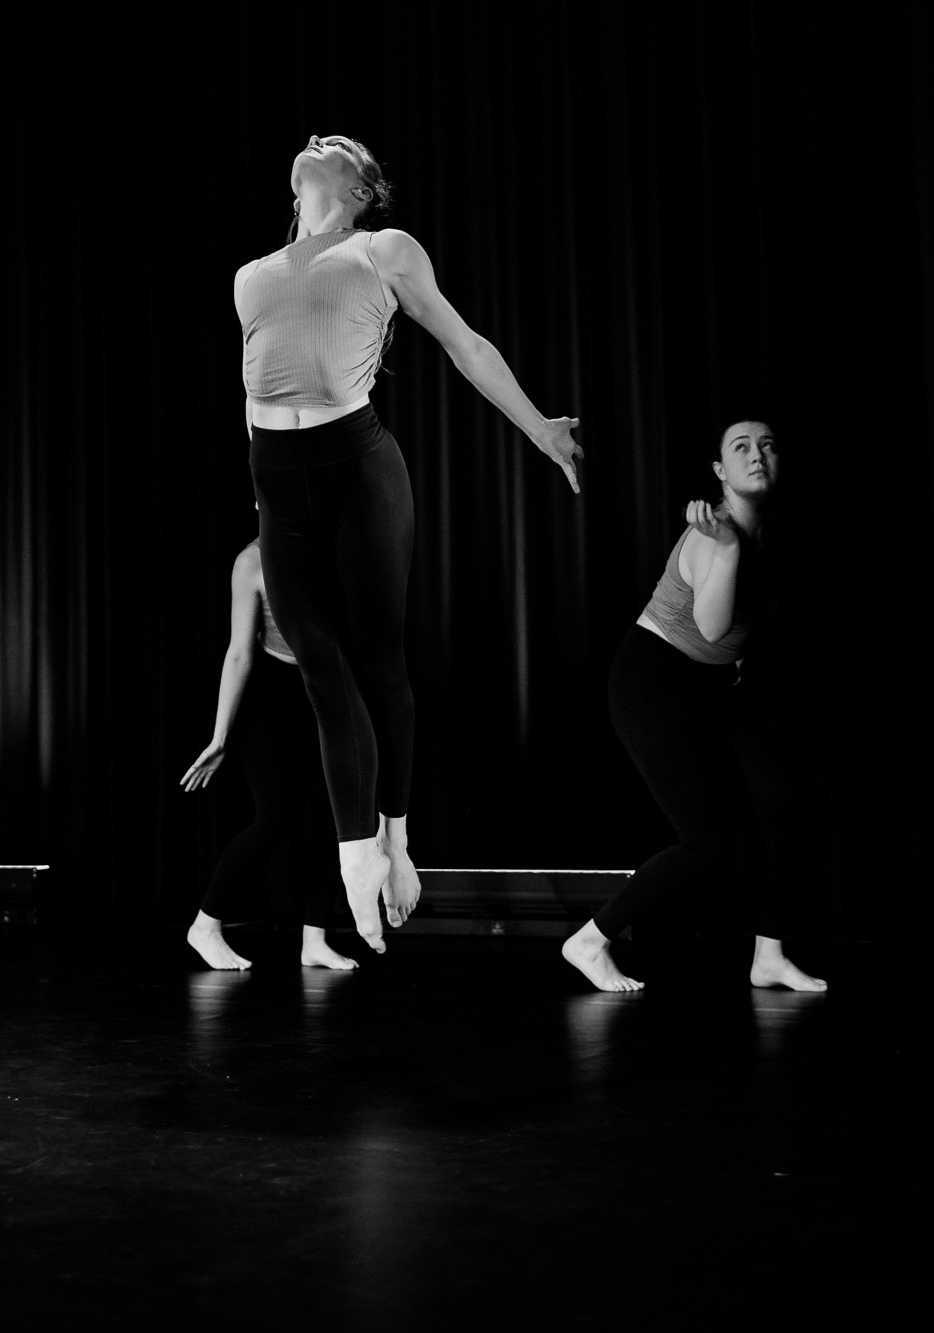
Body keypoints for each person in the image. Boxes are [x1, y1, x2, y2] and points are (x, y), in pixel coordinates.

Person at [235, 132, 584, 953]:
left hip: (359, 471)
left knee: (379, 664)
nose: (319, 138)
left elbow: (465, 345)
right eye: (316, 138)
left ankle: (393, 832)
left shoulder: (381, 248)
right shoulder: (251, 276)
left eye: (341, 145)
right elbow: (254, 389)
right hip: (278, 488)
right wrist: (262, 496)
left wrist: (538, 430)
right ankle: (360, 858)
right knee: (321, 672)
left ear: (361, 189)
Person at [562, 420, 827, 994]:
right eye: (741, 448)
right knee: (704, 839)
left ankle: (770, 956)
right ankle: (590, 938)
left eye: (769, 445)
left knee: (780, 801)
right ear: (719, 472)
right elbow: (710, 626)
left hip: (713, 686)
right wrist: (729, 547)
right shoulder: (716, 532)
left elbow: (748, 628)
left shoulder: (775, 532)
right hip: (653, 678)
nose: (758, 455)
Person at [181, 537, 360, 971]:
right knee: (275, 815)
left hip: (325, 692)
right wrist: (220, 736)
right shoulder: (250, 562)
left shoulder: (333, 549)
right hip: (270, 698)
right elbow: (240, 652)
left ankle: (313, 940)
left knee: (328, 819)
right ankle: (205, 925)